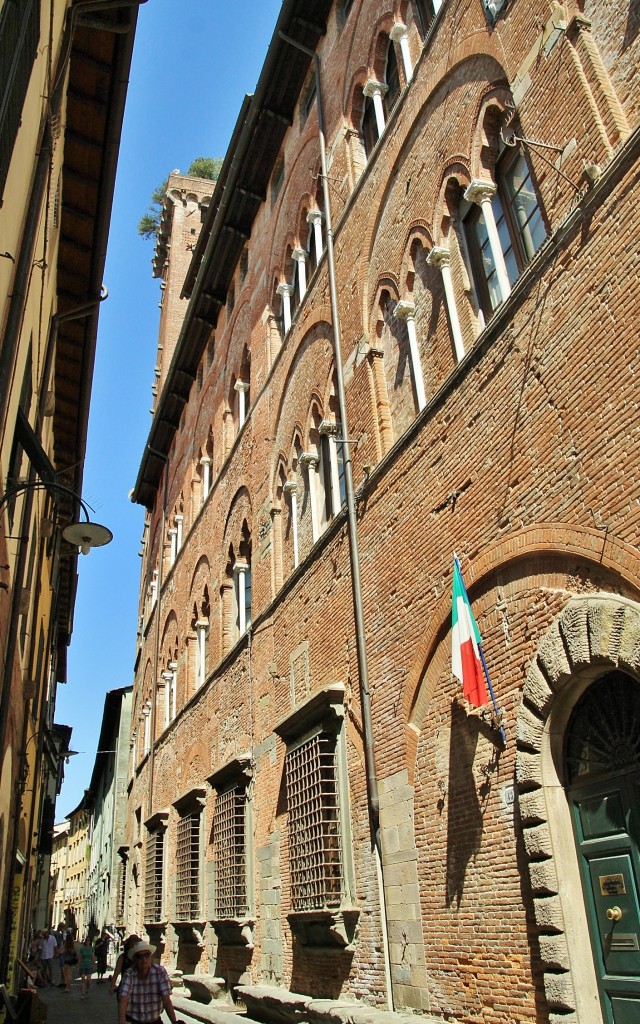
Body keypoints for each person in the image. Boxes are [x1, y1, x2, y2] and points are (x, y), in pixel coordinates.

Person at [117, 940, 184, 1024]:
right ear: (134, 960)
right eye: (139, 957)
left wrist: (174, 1022)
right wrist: (122, 1020)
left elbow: (166, 1000)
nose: (144, 959)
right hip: (134, 1020)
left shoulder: (160, 972)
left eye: (147, 955)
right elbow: (123, 999)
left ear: (151, 958)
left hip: (154, 1020)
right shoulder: (129, 974)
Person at [110, 933, 139, 1000]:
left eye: (135, 944)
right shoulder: (123, 957)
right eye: (131, 944)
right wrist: (112, 985)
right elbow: (116, 973)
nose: (133, 946)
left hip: (138, 987)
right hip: (125, 986)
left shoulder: (140, 957)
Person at [78, 934, 95, 999]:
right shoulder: (82, 949)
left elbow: (92, 957)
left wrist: (94, 964)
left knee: (89, 980)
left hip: (89, 965)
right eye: (87, 940)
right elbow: (80, 957)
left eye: (89, 940)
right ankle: (82, 994)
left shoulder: (91, 949)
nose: (88, 942)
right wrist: (79, 966)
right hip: (83, 965)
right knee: (83, 979)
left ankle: (87, 988)